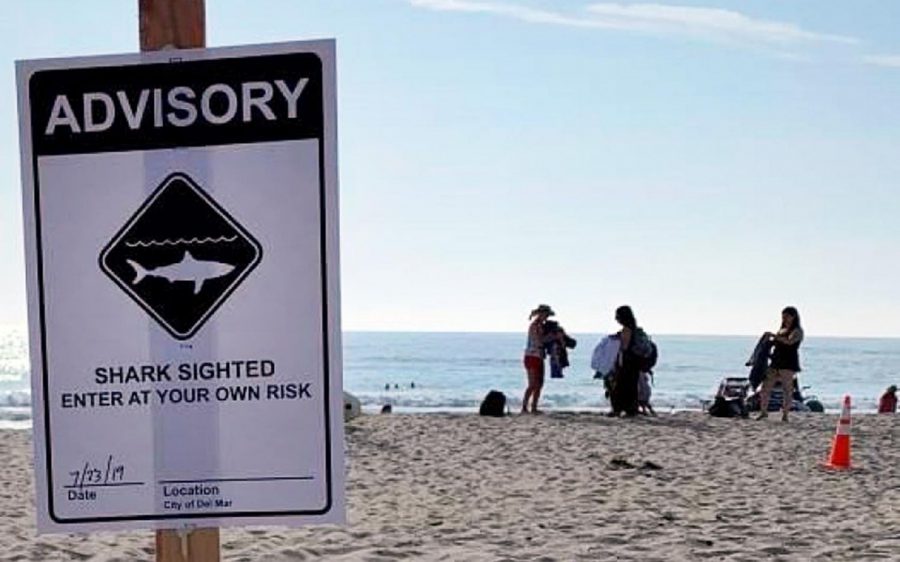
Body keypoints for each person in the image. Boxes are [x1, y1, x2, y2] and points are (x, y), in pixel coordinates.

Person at [757, 306, 804, 422]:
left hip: (788, 363)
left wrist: (774, 336)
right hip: (775, 361)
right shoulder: (782, 329)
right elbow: (778, 342)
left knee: (787, 390)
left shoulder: (797, 330)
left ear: (793, 317)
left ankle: (785, 415)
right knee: (765, 387)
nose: (784, 319)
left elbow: (789, 342)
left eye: (787, 316)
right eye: (783, 317)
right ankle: (763, 412)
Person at [522, 304, 559, 414]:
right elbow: (540, 340)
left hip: (539, 356)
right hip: (532, 356)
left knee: (539, 384)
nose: (546, 316)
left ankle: (533, 407)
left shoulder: (541, 326)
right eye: (545, 314)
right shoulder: (534, 326)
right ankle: (524, 407)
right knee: (533, 384)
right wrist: (552, 337)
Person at [609, 305, 642, 417]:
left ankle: (619, 409)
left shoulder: (627, 329)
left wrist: (617, 342)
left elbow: (625, 347)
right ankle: (631, 409)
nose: (616, 318)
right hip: (635, 361)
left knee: (620, 385)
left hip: (627, 361)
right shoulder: (634, 328)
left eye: (617, 316)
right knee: (631, 386)